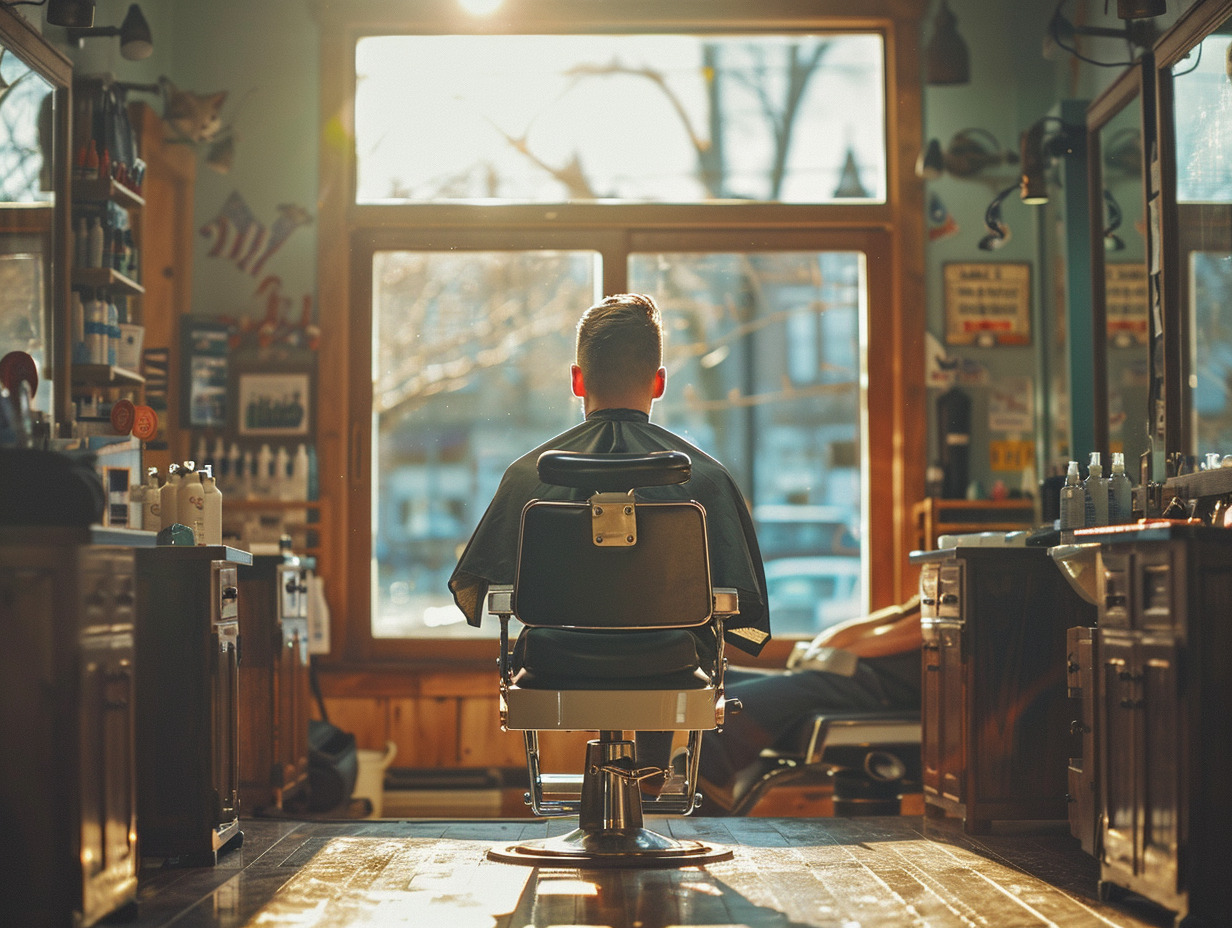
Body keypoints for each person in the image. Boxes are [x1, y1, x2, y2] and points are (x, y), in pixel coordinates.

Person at [449, 291, 771, 669]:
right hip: (672, 662)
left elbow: (480, 582)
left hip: (556, 660)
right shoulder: (705, 480)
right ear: (659, 383)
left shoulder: (528, 477)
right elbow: (743, 610)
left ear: (577, 381)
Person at [692, 595, 922, 814]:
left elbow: (910, 632)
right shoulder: (914, 609)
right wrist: (904, 610)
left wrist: (833, 651)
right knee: (720, 680)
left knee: (733, 703)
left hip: (875, 688)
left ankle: (704, 780)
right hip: (847, 675)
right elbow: (839, 640)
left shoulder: (942, 608)